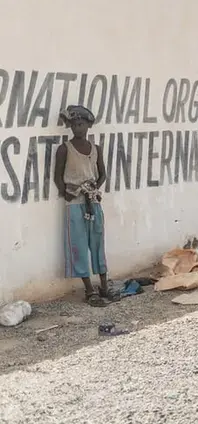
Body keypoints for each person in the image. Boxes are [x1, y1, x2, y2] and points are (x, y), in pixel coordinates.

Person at [54, 105, 110, 307]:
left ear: (88, 125)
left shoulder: (96, 149)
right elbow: (58, 177)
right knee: (77, 244)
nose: (77, 128)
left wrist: (94, 188)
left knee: (97, 242)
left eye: (81, 124)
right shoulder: (64, 149)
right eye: (73, 125)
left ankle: (104, 285)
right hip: (75, 203)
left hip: (93, 202)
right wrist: (67, 193)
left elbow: (102, 174)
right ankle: (89, 290)